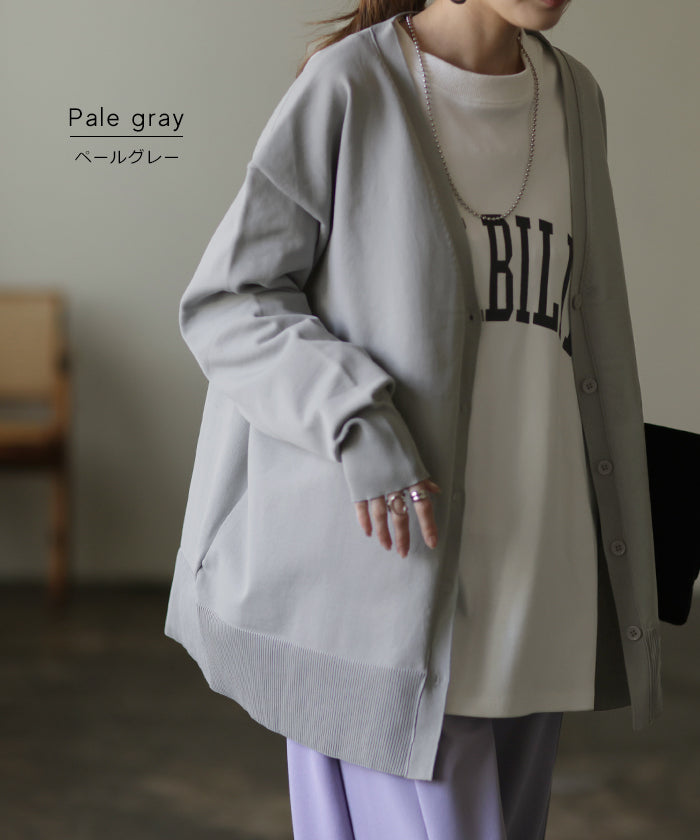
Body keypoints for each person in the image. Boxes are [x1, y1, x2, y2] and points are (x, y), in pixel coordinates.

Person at [164, 1, 663, 837]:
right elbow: (228, 301)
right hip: (386, 594)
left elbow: (585, 337)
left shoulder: (576, 96)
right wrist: (356, 419)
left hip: (543, 584)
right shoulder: (350, 86)